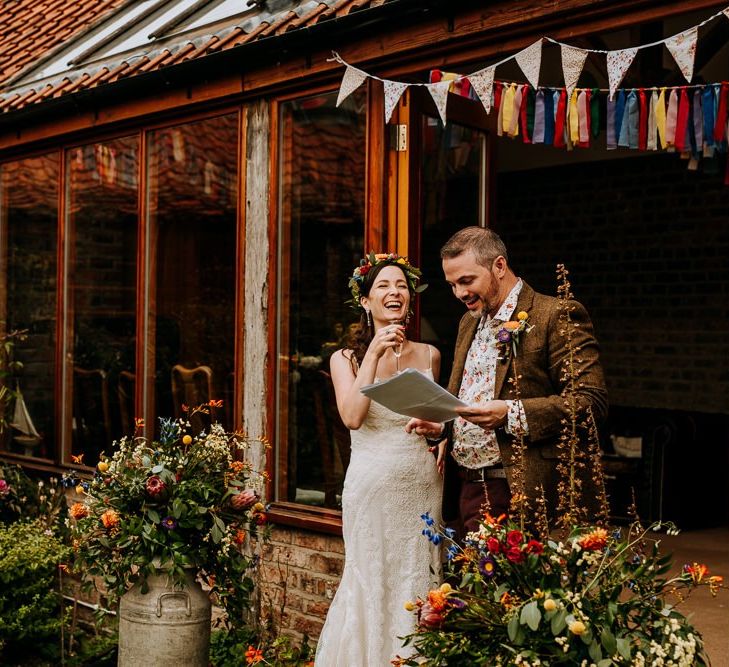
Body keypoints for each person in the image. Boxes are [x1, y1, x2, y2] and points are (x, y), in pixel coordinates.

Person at [406, 227, 607, 537]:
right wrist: (442, 425)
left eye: (467, 281)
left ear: (499, 266)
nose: (459, 294)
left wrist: (510, 414)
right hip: (464, 488)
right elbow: (467, 395)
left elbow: (589, 401)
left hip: (518, 489)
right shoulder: (468, 322)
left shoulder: (555, 315)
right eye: (452, 285)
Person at [315, 253, 443, 666]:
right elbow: (352, 416)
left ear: (411, 298)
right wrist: (371, 353)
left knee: (417, 579)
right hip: (372, 487)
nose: (395, 292)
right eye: (384, 286)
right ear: (366, 302)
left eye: (402, 286)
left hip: (422, 486)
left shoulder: (430, 355)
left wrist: (441, 434)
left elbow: (436, 416)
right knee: (372, 581)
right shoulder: (345, 359)